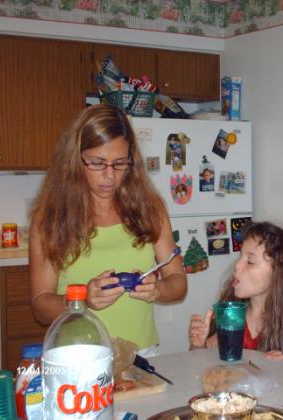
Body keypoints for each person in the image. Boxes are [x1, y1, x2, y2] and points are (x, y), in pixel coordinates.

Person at [30, 104, 187, 356]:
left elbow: (178, 283)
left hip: (141, 354)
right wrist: (82, 300)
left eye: (120, 163)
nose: (110, 175)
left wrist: (157, 289)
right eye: (97, 163)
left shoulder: (149, 209)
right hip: (78, 355)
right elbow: (40, 305)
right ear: (75, 160)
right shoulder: (51, 218)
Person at [189, 222, 283, 375]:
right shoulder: (230, 316)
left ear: (279, 274)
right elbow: (203, 367)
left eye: (250, 261)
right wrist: (198, 346)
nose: (237, 265)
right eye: (239, 256)